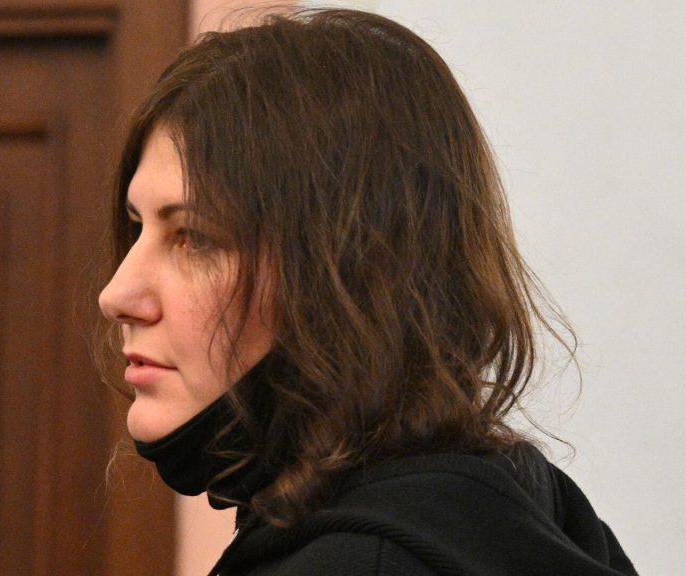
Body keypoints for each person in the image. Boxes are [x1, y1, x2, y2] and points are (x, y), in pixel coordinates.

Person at [96, 8, 637, 576]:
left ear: (356, 270)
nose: (117, 294)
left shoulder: (362, 562)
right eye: (138, 226)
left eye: (193, 237)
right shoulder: (523, 510)